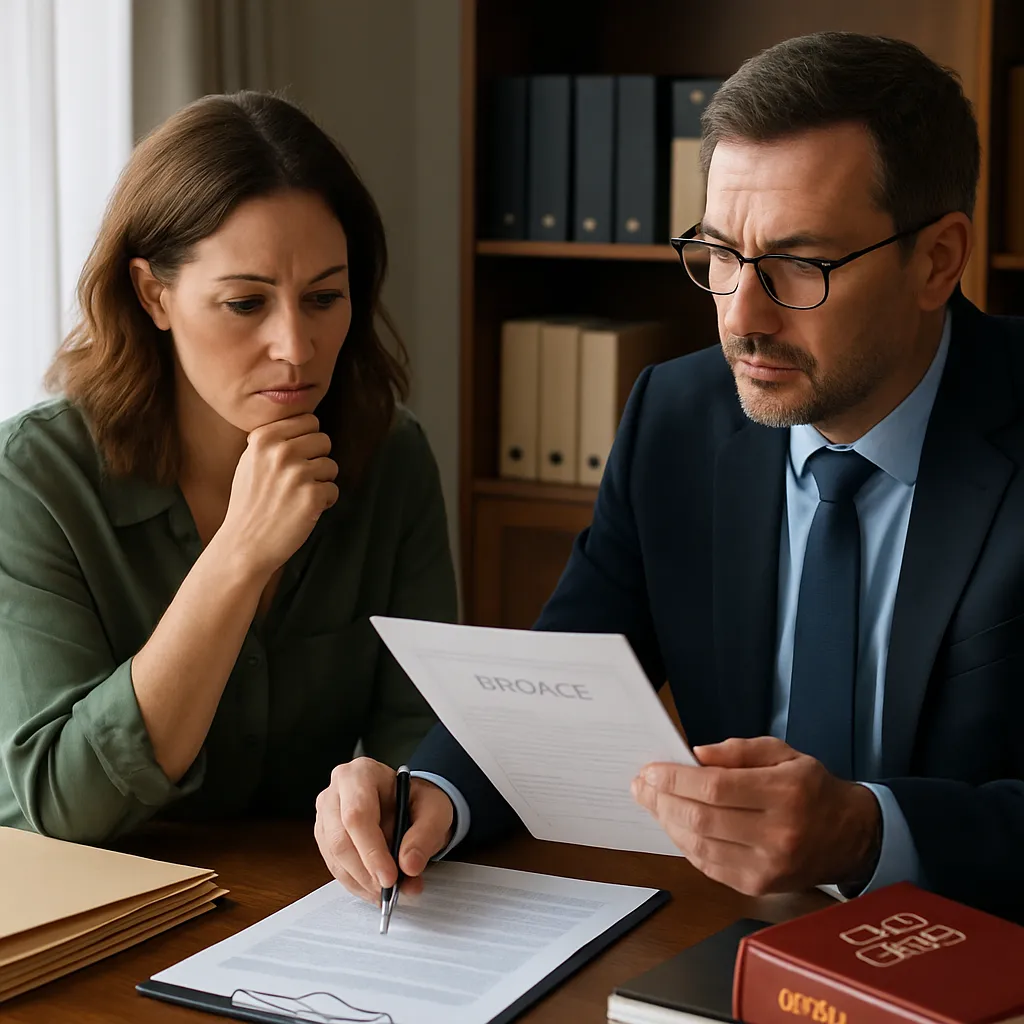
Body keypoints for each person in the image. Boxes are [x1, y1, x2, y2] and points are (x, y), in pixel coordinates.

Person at [315, 32, 1024, 923]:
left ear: (938, 259)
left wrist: (867, 834)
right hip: (719, 944)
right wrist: (436, 796)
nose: (742, 316)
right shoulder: (678, 416)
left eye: (800, 265)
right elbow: (564, 674)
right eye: (720, 253)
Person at [0, 91, 457, 844]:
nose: (296, 347)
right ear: (154, 294)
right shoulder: (35, 479)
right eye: (245, 304)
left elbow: (423, 729)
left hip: (299, 903)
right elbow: (64, 806)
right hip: (83, 918)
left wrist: (394, 797)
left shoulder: (390, 456)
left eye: (324, 298)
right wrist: (238, 558)